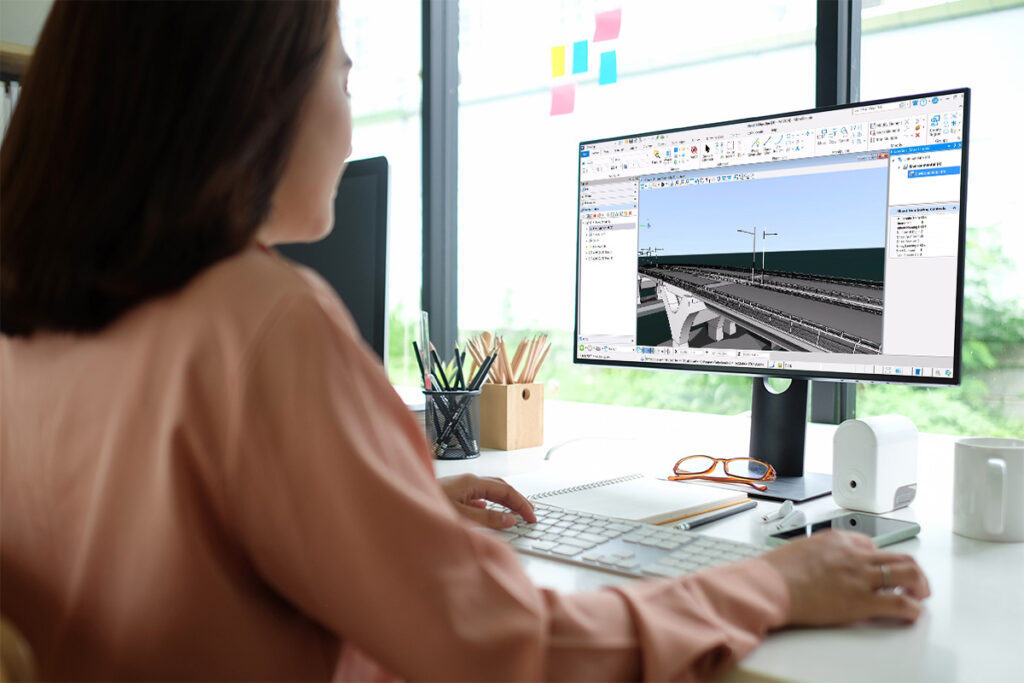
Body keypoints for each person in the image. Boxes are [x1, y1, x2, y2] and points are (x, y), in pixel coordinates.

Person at [0, 2, 930, 680]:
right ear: (253, 91)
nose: (351, 108)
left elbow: (159, 540)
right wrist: (771, 584)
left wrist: (385, 505)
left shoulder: (36, 323)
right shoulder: (257, 316)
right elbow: (500, 647)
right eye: (343, 71)